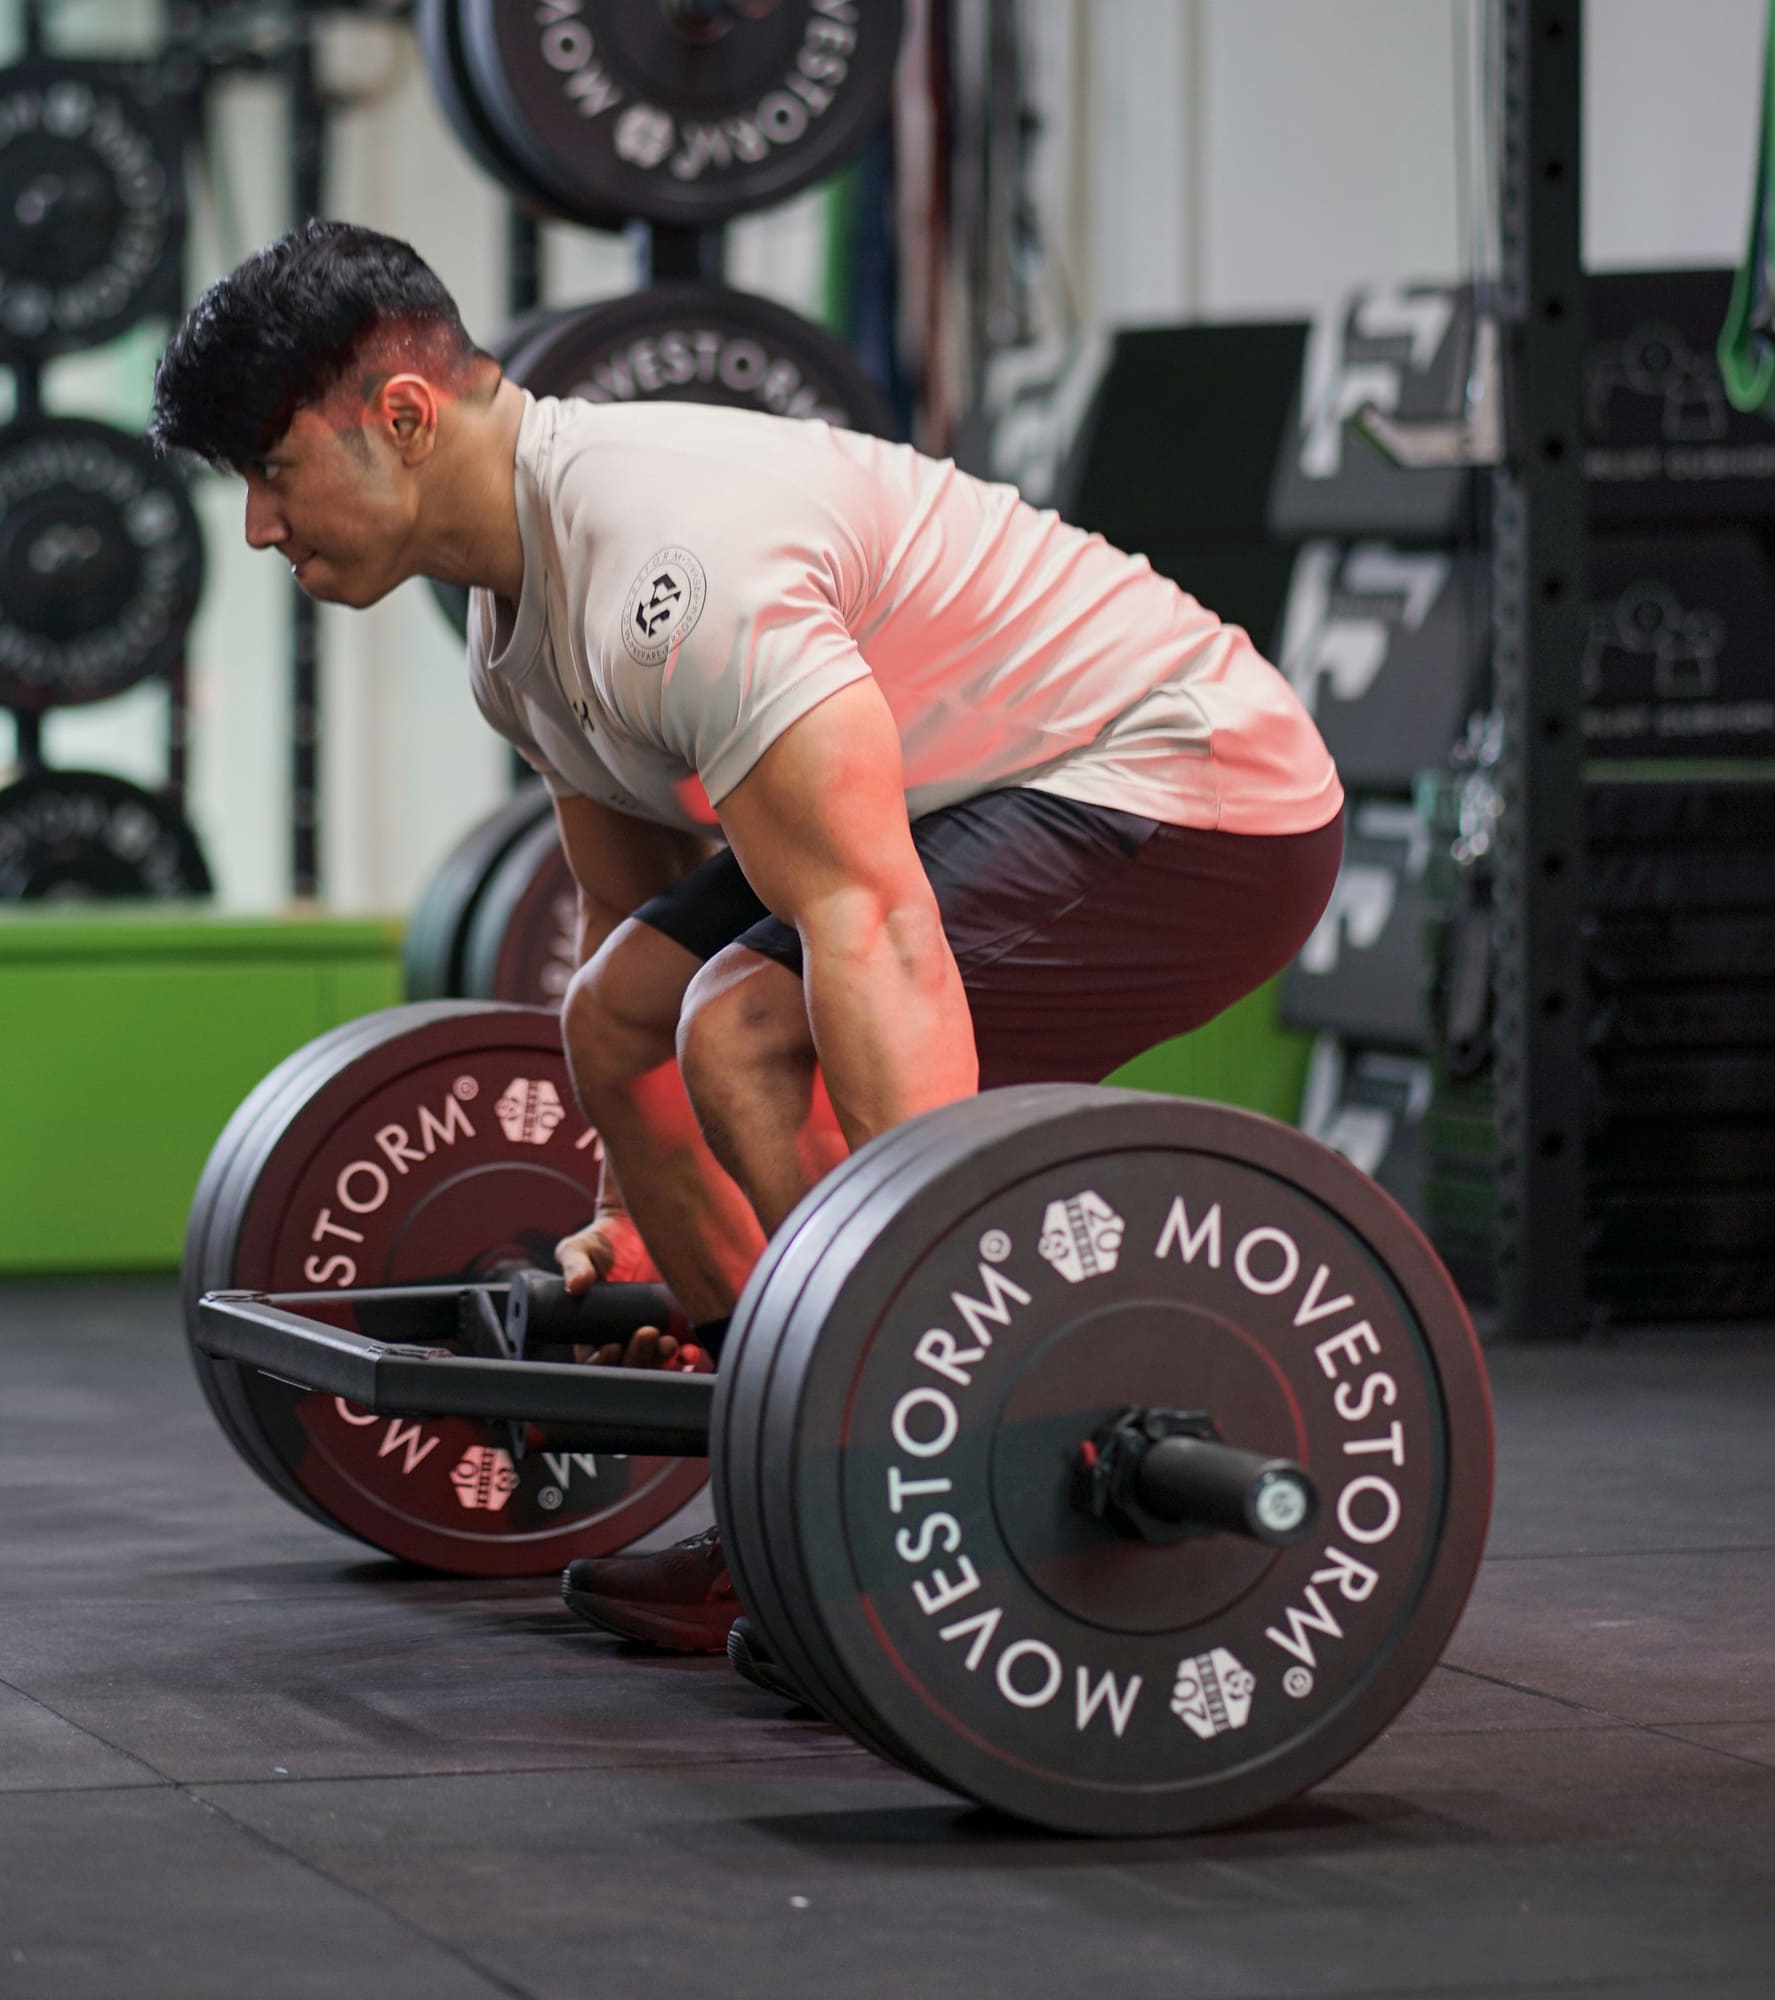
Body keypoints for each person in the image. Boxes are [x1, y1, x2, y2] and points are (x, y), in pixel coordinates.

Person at [151, 219, 1345, 1662]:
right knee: (617, 1017)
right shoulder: (517, 633)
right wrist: (636, 1215)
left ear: (401, 419)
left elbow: (871, 922)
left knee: (749, 1034)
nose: (258, 528)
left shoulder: (675, 563)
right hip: (985, 785)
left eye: (271, 472)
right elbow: (627, 924)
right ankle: (777, 1486)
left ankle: (890, 1509)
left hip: (1193, 789)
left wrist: (937, 1298)